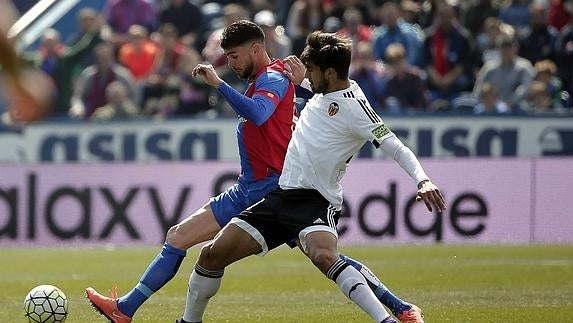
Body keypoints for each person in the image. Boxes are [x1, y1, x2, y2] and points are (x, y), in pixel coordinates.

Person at [86, 21, 426, 323]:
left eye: (234, 56)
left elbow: (261, 113)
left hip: (274, 188)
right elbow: (314, 101)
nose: (230, 64)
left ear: (256, 49)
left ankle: (399, 308)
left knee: (324, 256)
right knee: (180, 237)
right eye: (227, 58)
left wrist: (219, 84)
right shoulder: (273, 77)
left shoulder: (274, 78)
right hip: (248, 187)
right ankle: (126, 309)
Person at [178, 31, 445, 323]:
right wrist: (303, 81)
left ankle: (388, 320)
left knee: (323, 256)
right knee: (210, 256)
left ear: (329, 72)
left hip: (316, 200)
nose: (307, 74)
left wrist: (423, 180)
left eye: (312, 70)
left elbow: (396, 146)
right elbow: (319, 97)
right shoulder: (321, 90)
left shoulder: (356, 107)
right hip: (281, 195)